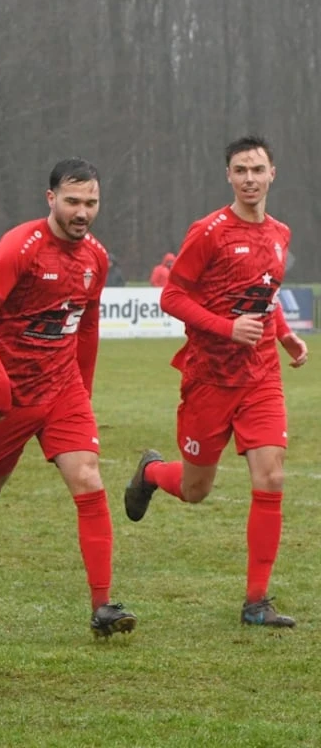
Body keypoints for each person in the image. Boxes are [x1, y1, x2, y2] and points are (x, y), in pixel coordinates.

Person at [0, 158, 137, 638]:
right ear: (51, 199)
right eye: (73, 201)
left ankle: (103, 606)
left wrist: (85, 388)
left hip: (62, 389)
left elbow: (87, 326)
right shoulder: (21, 247)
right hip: (10, 393)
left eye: (91, 202)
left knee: (88, 478)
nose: (82, 212)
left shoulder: (96, 259)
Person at [124, 135, 308, 628]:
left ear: (273, 174)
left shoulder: (281, 234)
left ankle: (256, 601)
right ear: (228, 176)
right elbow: (172, 297)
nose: (250, 178)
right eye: (240, 170)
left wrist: (285, 336)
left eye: (258, 169)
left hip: (261, 376)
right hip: (209, 377)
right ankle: (150, 474)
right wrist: (227, 328)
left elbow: (265, 296)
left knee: (270, 477)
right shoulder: (208, 231)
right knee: (195, 488)